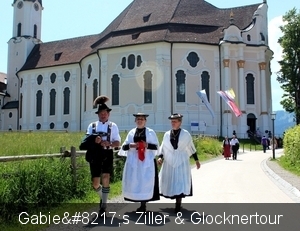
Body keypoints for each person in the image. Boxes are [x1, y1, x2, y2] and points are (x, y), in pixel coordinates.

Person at [79, 95, 121, 216]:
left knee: (106, 177)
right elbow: (85, 142)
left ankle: (103, 205)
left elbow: (118, 143)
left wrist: (110, 143)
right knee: (95, 183)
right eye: (101, 113)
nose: (103, 115)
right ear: (98, 114)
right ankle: (103, 196)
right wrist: (94, 141)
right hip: (95, 155)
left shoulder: (113, 126)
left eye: (105, 113)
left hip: (107, 153)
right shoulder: (92, 126)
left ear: (108, 114)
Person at [157, 113, 201, 213]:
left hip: (181, 161)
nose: (173, 123)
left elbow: (191, 148)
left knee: (180, 182)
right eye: (172, 121)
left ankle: (178, 204)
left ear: (180, 122)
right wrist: (160, 158)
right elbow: (163, 148)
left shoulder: (186, 134)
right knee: (169, 181)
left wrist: (197, 160)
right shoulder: (167, 134)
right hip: (169, 162)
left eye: (175, 121)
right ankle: (172, 197)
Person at [118, 113, 160, 212]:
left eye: (142, 119)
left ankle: (143, 204)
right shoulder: (131, 133)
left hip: (147, 162)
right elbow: (124, 147)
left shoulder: (150, 132)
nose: (140, 121)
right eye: (138, 119)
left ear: (145, 121)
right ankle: (138, 200)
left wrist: (147, 145)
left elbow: (156, 147)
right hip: (134, 162)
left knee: (145, 181)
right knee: (136, 181)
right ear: (135, 121)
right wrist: (131, 145)